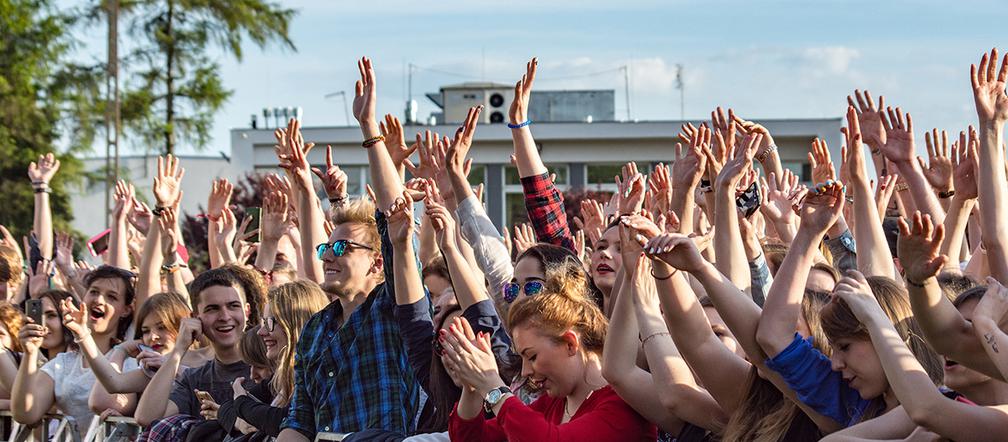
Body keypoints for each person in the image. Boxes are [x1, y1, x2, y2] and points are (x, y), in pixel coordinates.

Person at [278, 58, 420, 441]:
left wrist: (369, 130)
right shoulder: (314, 328)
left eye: (341, 247)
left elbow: (393, 222)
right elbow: (300, 417)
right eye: (327, 245)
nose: (326, 255)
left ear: (376, 262)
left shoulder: (391, 308)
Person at [443, 277, 656, 441]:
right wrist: (472, 385)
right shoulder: (552, 404)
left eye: (532, 356)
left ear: (570, 343)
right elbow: (470, 438)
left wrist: (492, 385)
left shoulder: (623, 404)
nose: (525, 371)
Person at [12, 265, 138, 437]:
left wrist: (83, 334)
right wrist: (30, 353)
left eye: (112, 297)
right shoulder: (63, 363)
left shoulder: (130, 360)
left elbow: (108, 403)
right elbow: (25, 413)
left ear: (126, 310)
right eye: (93, 292)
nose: (99, 300)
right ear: (83, 298)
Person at [134, 267, 251, 435]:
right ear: (196, 317)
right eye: (213, 309)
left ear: (246, 311)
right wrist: (178, 350)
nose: (225, 316)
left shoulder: (267, 367)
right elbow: (146, 417)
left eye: (233, 306)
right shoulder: (194, 378)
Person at [216, 280, 328, 440]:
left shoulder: (320, 371)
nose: (261, 332)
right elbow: (227, 405)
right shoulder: (280, 379)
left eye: (269, 323)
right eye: (263, 323)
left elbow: (290, 422)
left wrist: (243, 404)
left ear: (294, 324)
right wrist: (239, 421)